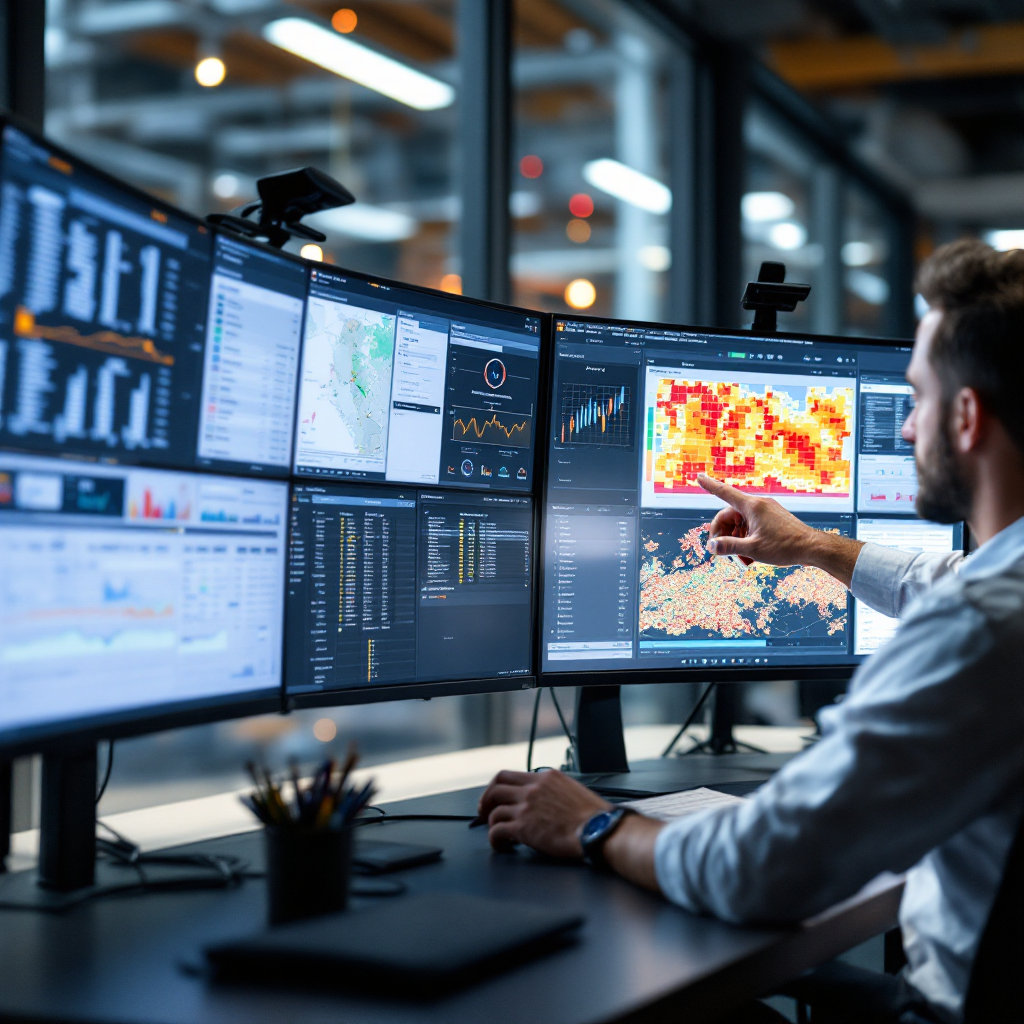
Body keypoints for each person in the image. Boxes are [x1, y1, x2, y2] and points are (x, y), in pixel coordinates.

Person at [478, 239, 1024, 1023]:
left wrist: (593, 826)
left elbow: (761, 869)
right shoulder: (998, 596)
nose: (906, 430)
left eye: (916, 398)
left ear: (967, 417)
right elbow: (947, 581)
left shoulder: (977, 629)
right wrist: (808, 545)